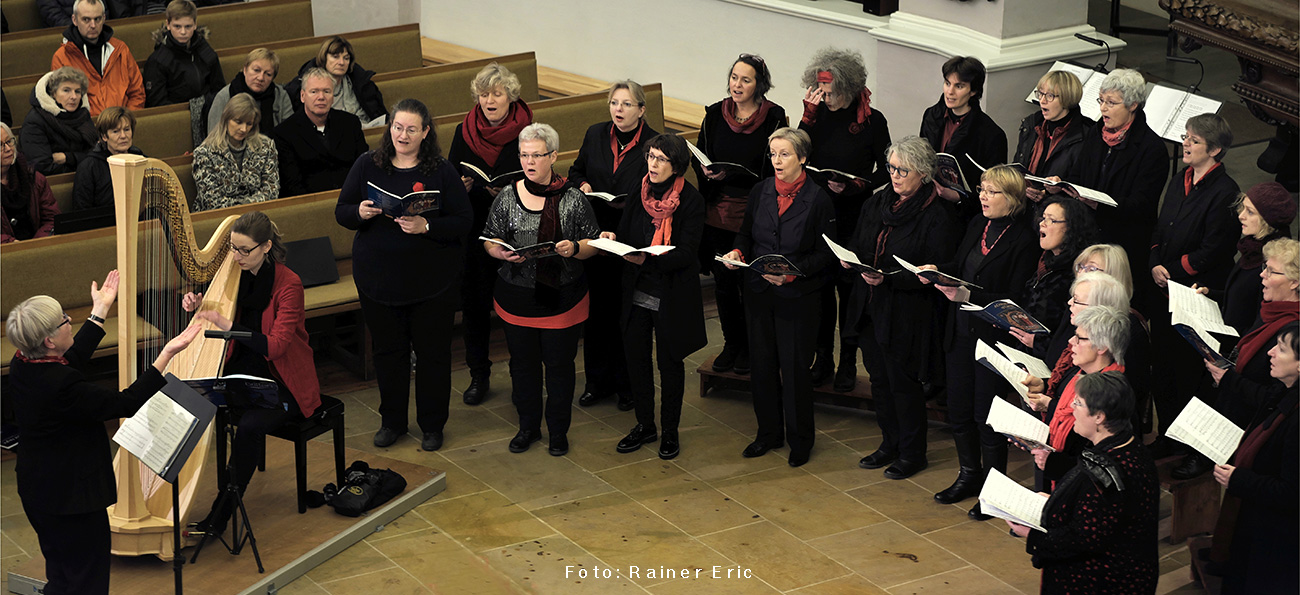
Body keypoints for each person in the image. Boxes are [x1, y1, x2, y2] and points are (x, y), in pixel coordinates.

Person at [8, 271, 202, 595]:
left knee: (61, 574)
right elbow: (123, 402)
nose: (71, 321)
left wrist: (99, 312)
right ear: (48, 341)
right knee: (88, 581)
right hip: (73, 500)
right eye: (64, 320)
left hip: (38, 489)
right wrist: (165, 356)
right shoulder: (63, 385)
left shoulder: (23, 362)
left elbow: (70, 357)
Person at [336, 98, 472, 452]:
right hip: (378, 279)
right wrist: (360, 212)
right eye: (398, 127)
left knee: (432, 356)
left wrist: (426, 224)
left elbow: (464, 221)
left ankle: (432, 425)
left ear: (426, 132)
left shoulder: (440, 170)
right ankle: (392, 422)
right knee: (388, 354)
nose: (403, 135)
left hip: (431, 283)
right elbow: (342, 211)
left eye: (412, 129)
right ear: (389, 128)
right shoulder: (368, 164)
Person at [180, 211, 322, 535]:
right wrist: (195, 303)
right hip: (242, 372)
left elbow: (276, 347)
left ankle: (220, 516)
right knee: (193, 398)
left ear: (266, 246)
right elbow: (215, 306)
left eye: (245, 250)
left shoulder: (289, 285)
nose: (237, 256)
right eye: (233, 248)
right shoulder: (234, 274)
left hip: (283, 381)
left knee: (248, 427)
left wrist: (228, 326)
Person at [921, 165, 1039, 509]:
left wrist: (968, 297)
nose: (983, 197)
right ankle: (968, 475)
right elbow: (960, 268)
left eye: (992, 192)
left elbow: (1014, 298)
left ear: (1014, 199)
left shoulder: (1025, 240)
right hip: (960, 332)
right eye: (982, 189)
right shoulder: (977, 224)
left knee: (987, 417)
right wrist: (939, 275)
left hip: (995, 340)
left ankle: (994, 488)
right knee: (958, 410)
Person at [481, 123, 600, 457]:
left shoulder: (573, 198)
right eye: (524, 155)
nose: (529, 162)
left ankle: (558, 432)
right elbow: (489, 239)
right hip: (517, 297)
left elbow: (593, 241)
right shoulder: (507, 196)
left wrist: (574, 249)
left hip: (561, 299)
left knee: (560, 368)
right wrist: (499, 251)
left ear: (553, 156)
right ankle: (528, 428)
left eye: (536, 155)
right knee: (523, 366)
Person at [721, 127, 836, 468]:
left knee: (795, 369)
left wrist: (792, 272)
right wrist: (739, 250)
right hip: (759, 292)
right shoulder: (760, 191)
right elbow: (746, 232)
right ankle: (768, 433)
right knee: (763, 366)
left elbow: (826, 254)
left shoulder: (819, 199)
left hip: (798, 297)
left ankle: (800, 440)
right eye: (773, 154)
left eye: (784, 154)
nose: (777, 160)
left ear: (803, 158)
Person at [846, 135, 958, 479]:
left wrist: (890, 279)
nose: (895, 175)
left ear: (923, 173)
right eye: (892, 167)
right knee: (878, 381)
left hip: (907, 311)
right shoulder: (876, 203)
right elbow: (858, 244)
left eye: (903, 170)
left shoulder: (937, 215)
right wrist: (853, 262)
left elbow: (935, 267)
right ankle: (888, 443)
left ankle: (912, 453)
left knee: (902, 385)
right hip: (869, 305)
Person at [1146, 113, 1239, 477]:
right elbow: (1159, 226)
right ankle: (1169, 433)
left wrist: (1174, 270)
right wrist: (1155, 260)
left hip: (1193, 293)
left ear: (1214, 150)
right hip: (1163, 286)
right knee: (1163, 368)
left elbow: (1215, 249)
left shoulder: (1225, 191)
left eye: (1194, 140)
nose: (1185, 144)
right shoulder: (1179, 178)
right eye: (1186, 137)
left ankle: (1192, 446)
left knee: (1187, 372)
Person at [1008, 371, 1160, 594]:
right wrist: (1055, 501)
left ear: (1099, 416)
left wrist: (1031, 534)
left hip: (1102, 582)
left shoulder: (1106, 474)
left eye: (1078, 403)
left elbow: (1083, 539)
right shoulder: (1130, 446)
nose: (1071, 407)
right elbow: (1105, 516)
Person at [798, 47, 892, 392]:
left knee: (849, 293)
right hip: (821, 213)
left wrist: (857, 184)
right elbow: (797, 152)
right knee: (820, 291)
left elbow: (887, 169)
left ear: (850, 88)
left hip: (856, 215)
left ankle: (848, 362)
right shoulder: (817, 114)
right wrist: (807, 117)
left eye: (832, 91)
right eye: (821, 89)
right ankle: (822, 359)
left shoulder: (872, 120)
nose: (826, 97)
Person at [608, 133, 706, 460]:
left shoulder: (690, 200)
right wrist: (614, 239)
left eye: (661, 159)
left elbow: (689, 253)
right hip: (636, 290)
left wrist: (649, 258)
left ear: (676, 165)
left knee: (669, 365)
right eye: (650, 156)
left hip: (670, 294)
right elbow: (625, 234)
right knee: (636, 361)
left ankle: (670, 431)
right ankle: (645, 425)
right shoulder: (640, 192)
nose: (652, 163)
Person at [694, 53, 787, 377]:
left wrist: (737, 176)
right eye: (734, 77)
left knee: (750, 283)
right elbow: (700, 152)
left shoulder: (774, 117)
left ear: (759, 84)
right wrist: (706, 171)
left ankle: (752, 346)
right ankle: (731, 343)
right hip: (717, 210)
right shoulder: (715, 114)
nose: (737, 85)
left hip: (755, 210)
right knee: (723, 282)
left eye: (745, 80)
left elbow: (776, 165)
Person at [568, 80, 658, 411]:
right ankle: (597, 383)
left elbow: (659, 186)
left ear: (641, 110)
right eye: (614, 103)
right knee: (597, 315)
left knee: (628, 316)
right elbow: (575, 171)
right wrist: (584, 184)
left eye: (626, 104)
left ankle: (627, 386)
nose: (618, 110)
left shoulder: (653, 143)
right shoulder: (595, 134)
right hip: (596, 235)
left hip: (630, 238)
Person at [448, 62, 534, 406]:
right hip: (476, 231)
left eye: (496, 93)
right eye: (483, 94)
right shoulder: (463, 131)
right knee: (475, 307)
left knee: (517, 308)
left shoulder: (530, 131)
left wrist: (512, 192)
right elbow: (450, 179)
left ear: (510, 96)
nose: (489, 100)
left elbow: (543, 176)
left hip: (517, 230)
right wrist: (462, 185)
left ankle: (521, 376)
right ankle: (478, 375)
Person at [1055, 68, 1169, 309]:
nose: (1103, 109)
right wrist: (1066, 186)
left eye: (1111, 103)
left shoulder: (1152, 149)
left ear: (1133, 105)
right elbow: (1079, 172)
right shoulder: (1097, 134)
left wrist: (1100, 203)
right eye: (1101, 100)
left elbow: (1143, 204)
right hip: (1088, 234)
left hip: (1122, 244)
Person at [1209, 323, 1298, 594]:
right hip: (1258, 522)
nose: (1270, 352)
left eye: (1281, 349)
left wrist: (1240, 479)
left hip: (1276, 540)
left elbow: (1291, 492)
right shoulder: (1283, 391)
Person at [1023, 305, 1130, 489]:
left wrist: (1053, 463)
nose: (1071, 341)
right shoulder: (1078, 374)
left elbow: (1101, 469)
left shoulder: (1111, 396)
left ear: (1102, 347)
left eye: (1079, 338)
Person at [1205, 238, 1300, 429]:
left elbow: (1275, 397)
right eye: (1265, 267)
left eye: (1271, 271)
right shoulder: (1269, 311)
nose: (1262, 274)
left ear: (1294, 282)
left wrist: (1228, 379)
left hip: (1250, 425)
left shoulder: (1292, 332)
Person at [1196, 182, 1296, 346]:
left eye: (1250, 212)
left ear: (1267, 220)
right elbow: (1243, 299)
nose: (1241, 215)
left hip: (1238, 350)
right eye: (1243, 208)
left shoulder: (1272, 264)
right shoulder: (1251, 248)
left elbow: (1259, 323)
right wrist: (1211, 294)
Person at [918, 55, 1007, 221]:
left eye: (959, 86)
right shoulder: (931, 115)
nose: (950, 92)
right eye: (947, 83)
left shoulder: (992, 135)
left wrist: (959, 198)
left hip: (963, 214)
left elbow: (996, 190)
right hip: (928, 201)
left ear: (973, 91)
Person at [272, 67, 368, 197]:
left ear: (333, 97)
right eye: (314, 91)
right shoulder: (284, 133)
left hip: (353, 201)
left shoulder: (350, 123)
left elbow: (364, 168)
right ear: (302, 96)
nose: (321, 97)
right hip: (311, 206)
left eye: (326, 91)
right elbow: (292, 185)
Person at [50, 0, 146, 116]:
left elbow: (137, 93)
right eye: (86, 20)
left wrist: (125, 122)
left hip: (122, 127)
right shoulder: (62, 56)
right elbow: (62, 102)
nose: (93, 25)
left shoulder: (120, 49)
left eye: (97, 19)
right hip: (86, 128)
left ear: (104, 18)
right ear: (74, 20)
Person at [192, 93, 279, 211]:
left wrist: (246, 208)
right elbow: (211, 201)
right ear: (226, 119)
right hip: (219, 219)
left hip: (258, 216)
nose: (243, 129)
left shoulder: (266, 147)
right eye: (238, 122)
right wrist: (247, 205)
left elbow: (271, 191)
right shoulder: (204, 153)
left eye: (249, 124)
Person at [1013, 70, 1090, 203]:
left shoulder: (1086, 134)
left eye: (1049, 96)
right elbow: (1018, 166)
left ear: (1067, 98)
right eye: (1040, 94)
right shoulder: (1031, 124)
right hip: (1023, 203)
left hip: (1060, 208)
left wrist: (1050, 193)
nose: (1042, 101)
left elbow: (1084, 185)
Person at [284, 36, 386, 127]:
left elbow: (379, 113)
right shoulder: (304, 84)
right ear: (324, 58)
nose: (341, 62)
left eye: (346, 58)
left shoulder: (362, 83)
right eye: (335, 57)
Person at [142, 0, 224, 108]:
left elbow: (219, 89)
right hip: (176, 117)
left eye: (188, 26)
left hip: (208, 109)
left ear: (195, 25)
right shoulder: (158, 60)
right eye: (177, 26)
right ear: (168, 25)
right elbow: (158, 104)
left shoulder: (204, 50)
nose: (183, 32)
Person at [20, 67, 98, 177]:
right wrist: (82, 162)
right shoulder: (35, 121)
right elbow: (42, 167)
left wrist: (68, 157)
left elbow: (99, 155)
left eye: (77, 91)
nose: (73, 97)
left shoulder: (82, 116)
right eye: (66, 90)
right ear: (53, 93)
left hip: (88, 177)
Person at [206, 48, 294, 138]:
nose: (260, 78)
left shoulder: (280, 96)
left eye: (268, 74)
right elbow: (214, 138)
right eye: (256, 70)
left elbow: (289, 133)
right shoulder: (225, 96)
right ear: (245, 70)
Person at [72, 106, 142, 210]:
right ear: (104, 136)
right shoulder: (89, 167)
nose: (123, 136)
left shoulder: (141, 159)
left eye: (127, 129)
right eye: (116, 131)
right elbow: (81, 209)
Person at [1, 123, 59, 243]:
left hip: (39, 247)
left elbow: (52, 219)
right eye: (0, 145)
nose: (8, 149)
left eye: (9, 142)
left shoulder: (34, 178)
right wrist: (10, 244)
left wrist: (33, 246)